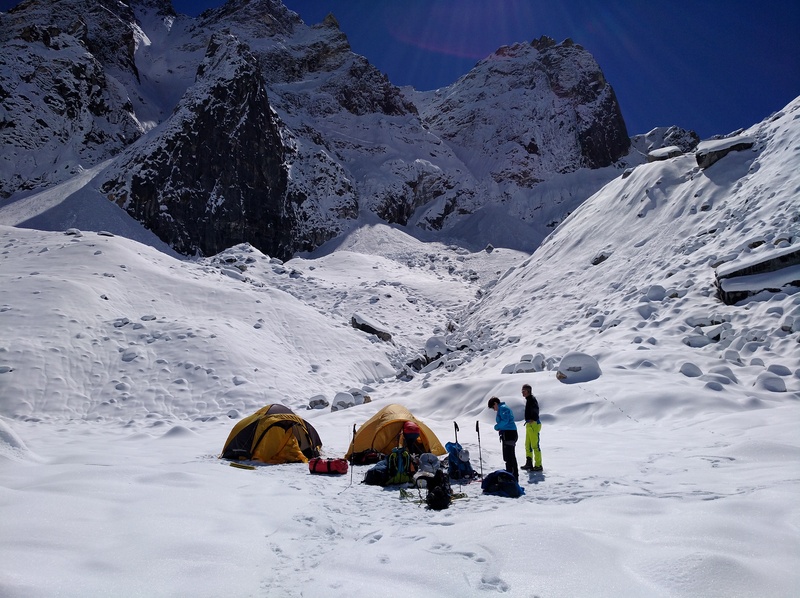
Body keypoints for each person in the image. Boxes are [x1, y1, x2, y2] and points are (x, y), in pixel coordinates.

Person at [488, 396, 518, 480]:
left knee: (509, 456)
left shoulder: (503, 408)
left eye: (493, 407)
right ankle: (511, 474)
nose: (494, 410)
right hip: (508, 433)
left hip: (509, 433)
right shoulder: (502, 408)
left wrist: (497, 427)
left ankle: (512, 475)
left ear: (495, 403)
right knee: (508, 456)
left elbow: (505, 420)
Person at [520, 384, 543, 472]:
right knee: (527, 445)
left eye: (524, 391)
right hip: (529, 424)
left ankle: (538, 465)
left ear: (528, 391)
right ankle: (529, 463)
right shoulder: (528, 400)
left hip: (534, 424)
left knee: (535, 445)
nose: (522, 393)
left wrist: (533, 419)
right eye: (522, 391)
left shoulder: (532, 400)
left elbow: (536, 410)